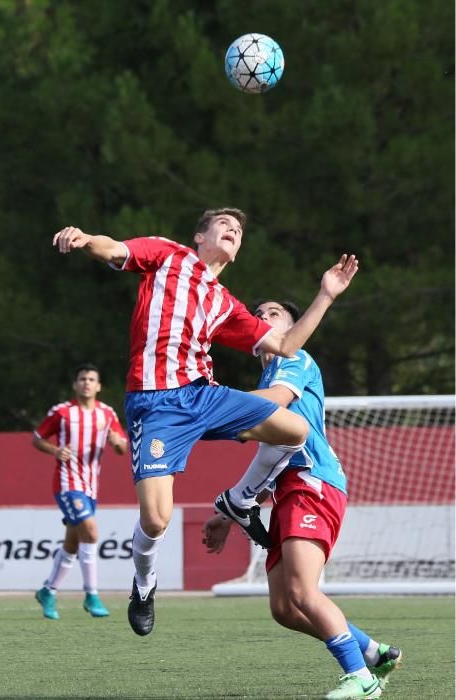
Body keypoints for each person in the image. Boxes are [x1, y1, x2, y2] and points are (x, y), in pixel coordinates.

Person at [52, 208, 358, 637]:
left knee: (295, 431)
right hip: (156, 404)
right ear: (199, 236)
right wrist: (86, 239)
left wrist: (326, 294)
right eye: (224, 226)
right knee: (157, 519)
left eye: (239, 231)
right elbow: (114, 249)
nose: (234, 231)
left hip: (202, 395)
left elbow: (287, 343)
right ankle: (144, 583)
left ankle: (242, 500)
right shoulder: (167, 255)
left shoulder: (225, 304)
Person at [203, 300, 402, 700]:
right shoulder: (272, 372)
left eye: (274, 313)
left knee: (302, 590)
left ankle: (360, 677)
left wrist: (207, 408)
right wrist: (228, 510)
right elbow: (271, 458)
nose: (264, 316)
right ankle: (372, 652)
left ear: (292, 328)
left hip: (314, 482)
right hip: (289, 489)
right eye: (258, 312)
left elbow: (273, 400)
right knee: (284, 608)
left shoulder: (294, 357)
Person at [33, 363, 127, 620]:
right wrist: (55, 450)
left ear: (98, 386)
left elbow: (121, 447)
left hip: (90, 486)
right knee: (92, 530)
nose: (86, 382)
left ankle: (48, 591)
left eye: (91, 379)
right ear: (75, 385)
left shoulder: (107, 414)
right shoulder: (62, 412)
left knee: (73, 543)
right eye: (82, 378)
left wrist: (118, 443)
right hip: (67, 482)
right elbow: (37, 438)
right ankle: (92, 594)